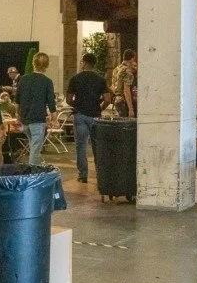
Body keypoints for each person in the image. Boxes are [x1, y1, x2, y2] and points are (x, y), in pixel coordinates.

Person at [65, 53, 112, 183]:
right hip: (95, 116)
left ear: (85, 63)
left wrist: (78, 105)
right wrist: (100, 108)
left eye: (81, 62)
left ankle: (83, 175)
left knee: (81, 146)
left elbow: (68, 99)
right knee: (97, 146)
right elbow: (108, 99)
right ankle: (100, 175)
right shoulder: (100, 79)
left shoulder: (75, 79)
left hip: (80, 115)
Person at [15, 52, 57, 165]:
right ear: (47, 65)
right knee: (35, 149)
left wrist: (18, 116)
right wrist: (54, 118)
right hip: (37, 119)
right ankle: (33, 174)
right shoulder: (47, 81)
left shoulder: (23, 79)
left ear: (34, 63)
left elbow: (17, 100)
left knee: (33, 145)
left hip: (24, 119)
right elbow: (51, 102)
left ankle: (35, 169)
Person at [111, 49, 136, 118]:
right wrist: (131, 109)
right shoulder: (127, 71)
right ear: (132, 58)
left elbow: (112, 86)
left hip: (116, 100)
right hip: (124, 101)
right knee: (127, 125)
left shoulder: (116, 69)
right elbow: (126, 90)